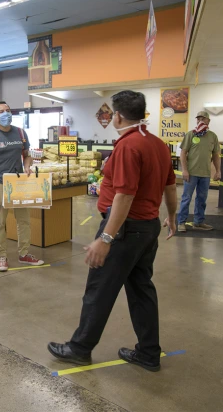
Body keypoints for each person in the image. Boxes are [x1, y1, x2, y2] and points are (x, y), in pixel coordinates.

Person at [47, 90, 177, 372]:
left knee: (99, 290)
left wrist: (106, 238)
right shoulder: (158, 144)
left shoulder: (128, 146)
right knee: (142, 290)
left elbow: (124, 196)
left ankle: (80, 348)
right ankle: (148, 352)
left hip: (125, 230)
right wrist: (174, 215)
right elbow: (170, 184)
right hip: (148, 227)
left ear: (117, 116)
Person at [0, 101, 44, 272]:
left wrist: (28, 166)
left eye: (8, 110)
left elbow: (27, 155)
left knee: (24, 221)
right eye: (1, 111)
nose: (6, 113)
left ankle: (24, 253)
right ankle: (2, 256)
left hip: (18, 183)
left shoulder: (21, 133)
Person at [177, 111, 221, 232]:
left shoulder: (213, 136)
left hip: (205, 174)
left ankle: (199, 222)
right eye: (198, 118)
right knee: (186, 198)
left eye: (203, 118)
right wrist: (184, 170)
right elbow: (183, 153)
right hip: (191, 173)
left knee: (202, 199)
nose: (200, 120)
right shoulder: (191, 134)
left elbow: (216, 155)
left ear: (208, 121)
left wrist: (218, 171)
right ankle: (181, 222)